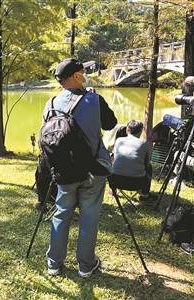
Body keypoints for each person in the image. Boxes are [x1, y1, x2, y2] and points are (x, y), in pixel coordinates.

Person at [43, 58, 117, 278]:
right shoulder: (93, 99)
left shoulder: (51, 103)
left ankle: (54, 264)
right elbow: (111, 124)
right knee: (89, 217)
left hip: (64, 171)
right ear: (76, 76)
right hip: (93, 170)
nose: (84, 76)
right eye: (82, 73)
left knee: (61, 215)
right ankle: (86, 266)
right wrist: (92, 99)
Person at [109, 120, 154, 201]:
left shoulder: (119, 140)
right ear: (141, 131)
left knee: (113, 161)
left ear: (127, 130)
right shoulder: (144, 143)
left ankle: (113, 190)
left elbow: (113, 159)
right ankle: (144, 195)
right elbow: (147, 164)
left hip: (115, 181)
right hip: (137, 183)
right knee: (149, 167)